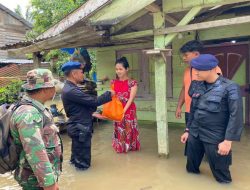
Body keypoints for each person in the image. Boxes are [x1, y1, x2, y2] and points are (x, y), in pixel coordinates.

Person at [180, 54, 243, 183]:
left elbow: (236, 116)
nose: (195, 73)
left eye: (199, 69)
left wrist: (227, 141)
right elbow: (193, 109)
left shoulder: (230, 87)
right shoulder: (196, 85)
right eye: (194, 69)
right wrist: (188, 130)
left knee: (221, 176)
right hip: (195, 133)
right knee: (191, 169)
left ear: (212, 69)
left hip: (215, 136)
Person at [10, 68, 62, 190]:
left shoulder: (37, 108)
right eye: (53, 86)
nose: (55, 89)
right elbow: (35, 151)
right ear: (45, 89)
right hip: (36, 181)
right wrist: (49, 184)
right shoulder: (29, 113)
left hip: (39, 178)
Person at [61, 61, 114, 170]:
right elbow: (93, 101)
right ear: (74, 74)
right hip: (80, 128)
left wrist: (93, 114)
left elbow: (78, 107)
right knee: (83, 164)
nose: (83, 75)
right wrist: (109, 94)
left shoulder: (70, 88)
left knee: (76, 158)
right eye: (81, 72)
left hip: (78, 127)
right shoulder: (71, 90)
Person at [175, 40, 222, 124]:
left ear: (196, 54)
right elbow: (184, 88)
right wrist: (179, 107)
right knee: (189, 135)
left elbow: (218, 90)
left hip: (205, 112)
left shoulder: (212, 69)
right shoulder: (187, 70)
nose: (184, 58)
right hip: (189, 111)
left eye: (186, 55)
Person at [111, 57, 140, 153]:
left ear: (127, 69)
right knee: (119, 129)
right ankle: (120, 147)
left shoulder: (132, 83)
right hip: (117, 111)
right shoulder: (113, 82)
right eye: (116, 69)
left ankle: (129, 147)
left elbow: (131, 99)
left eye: (120, 69)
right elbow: (113, 98)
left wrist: (123, 112)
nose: (118, 71)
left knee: (129, 129)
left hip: (129, 111)